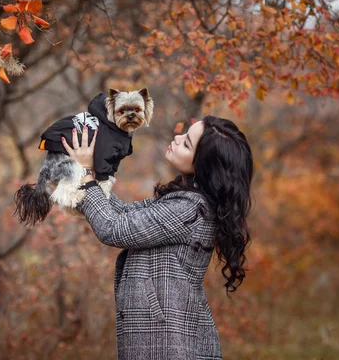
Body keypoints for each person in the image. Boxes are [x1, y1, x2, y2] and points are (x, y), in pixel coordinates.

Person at [61, 116, 254, 360]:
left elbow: (113, 228)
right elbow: (124, 214)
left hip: (169, 345)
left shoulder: (190, 209)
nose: (177, 138)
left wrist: (88, 175)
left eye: (186, 144)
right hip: (165, 341)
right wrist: (80, 176)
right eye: (185, 134)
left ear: (203, 166)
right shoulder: (185, 201)